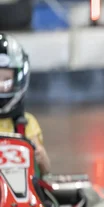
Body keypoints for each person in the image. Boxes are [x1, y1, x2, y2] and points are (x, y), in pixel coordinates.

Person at [0, 33, 51, 177]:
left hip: (21, 195)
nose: (1, 86)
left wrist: (41, 157)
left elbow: (46, 172)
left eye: (6, 80)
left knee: (46, 199)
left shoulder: (27, 124)